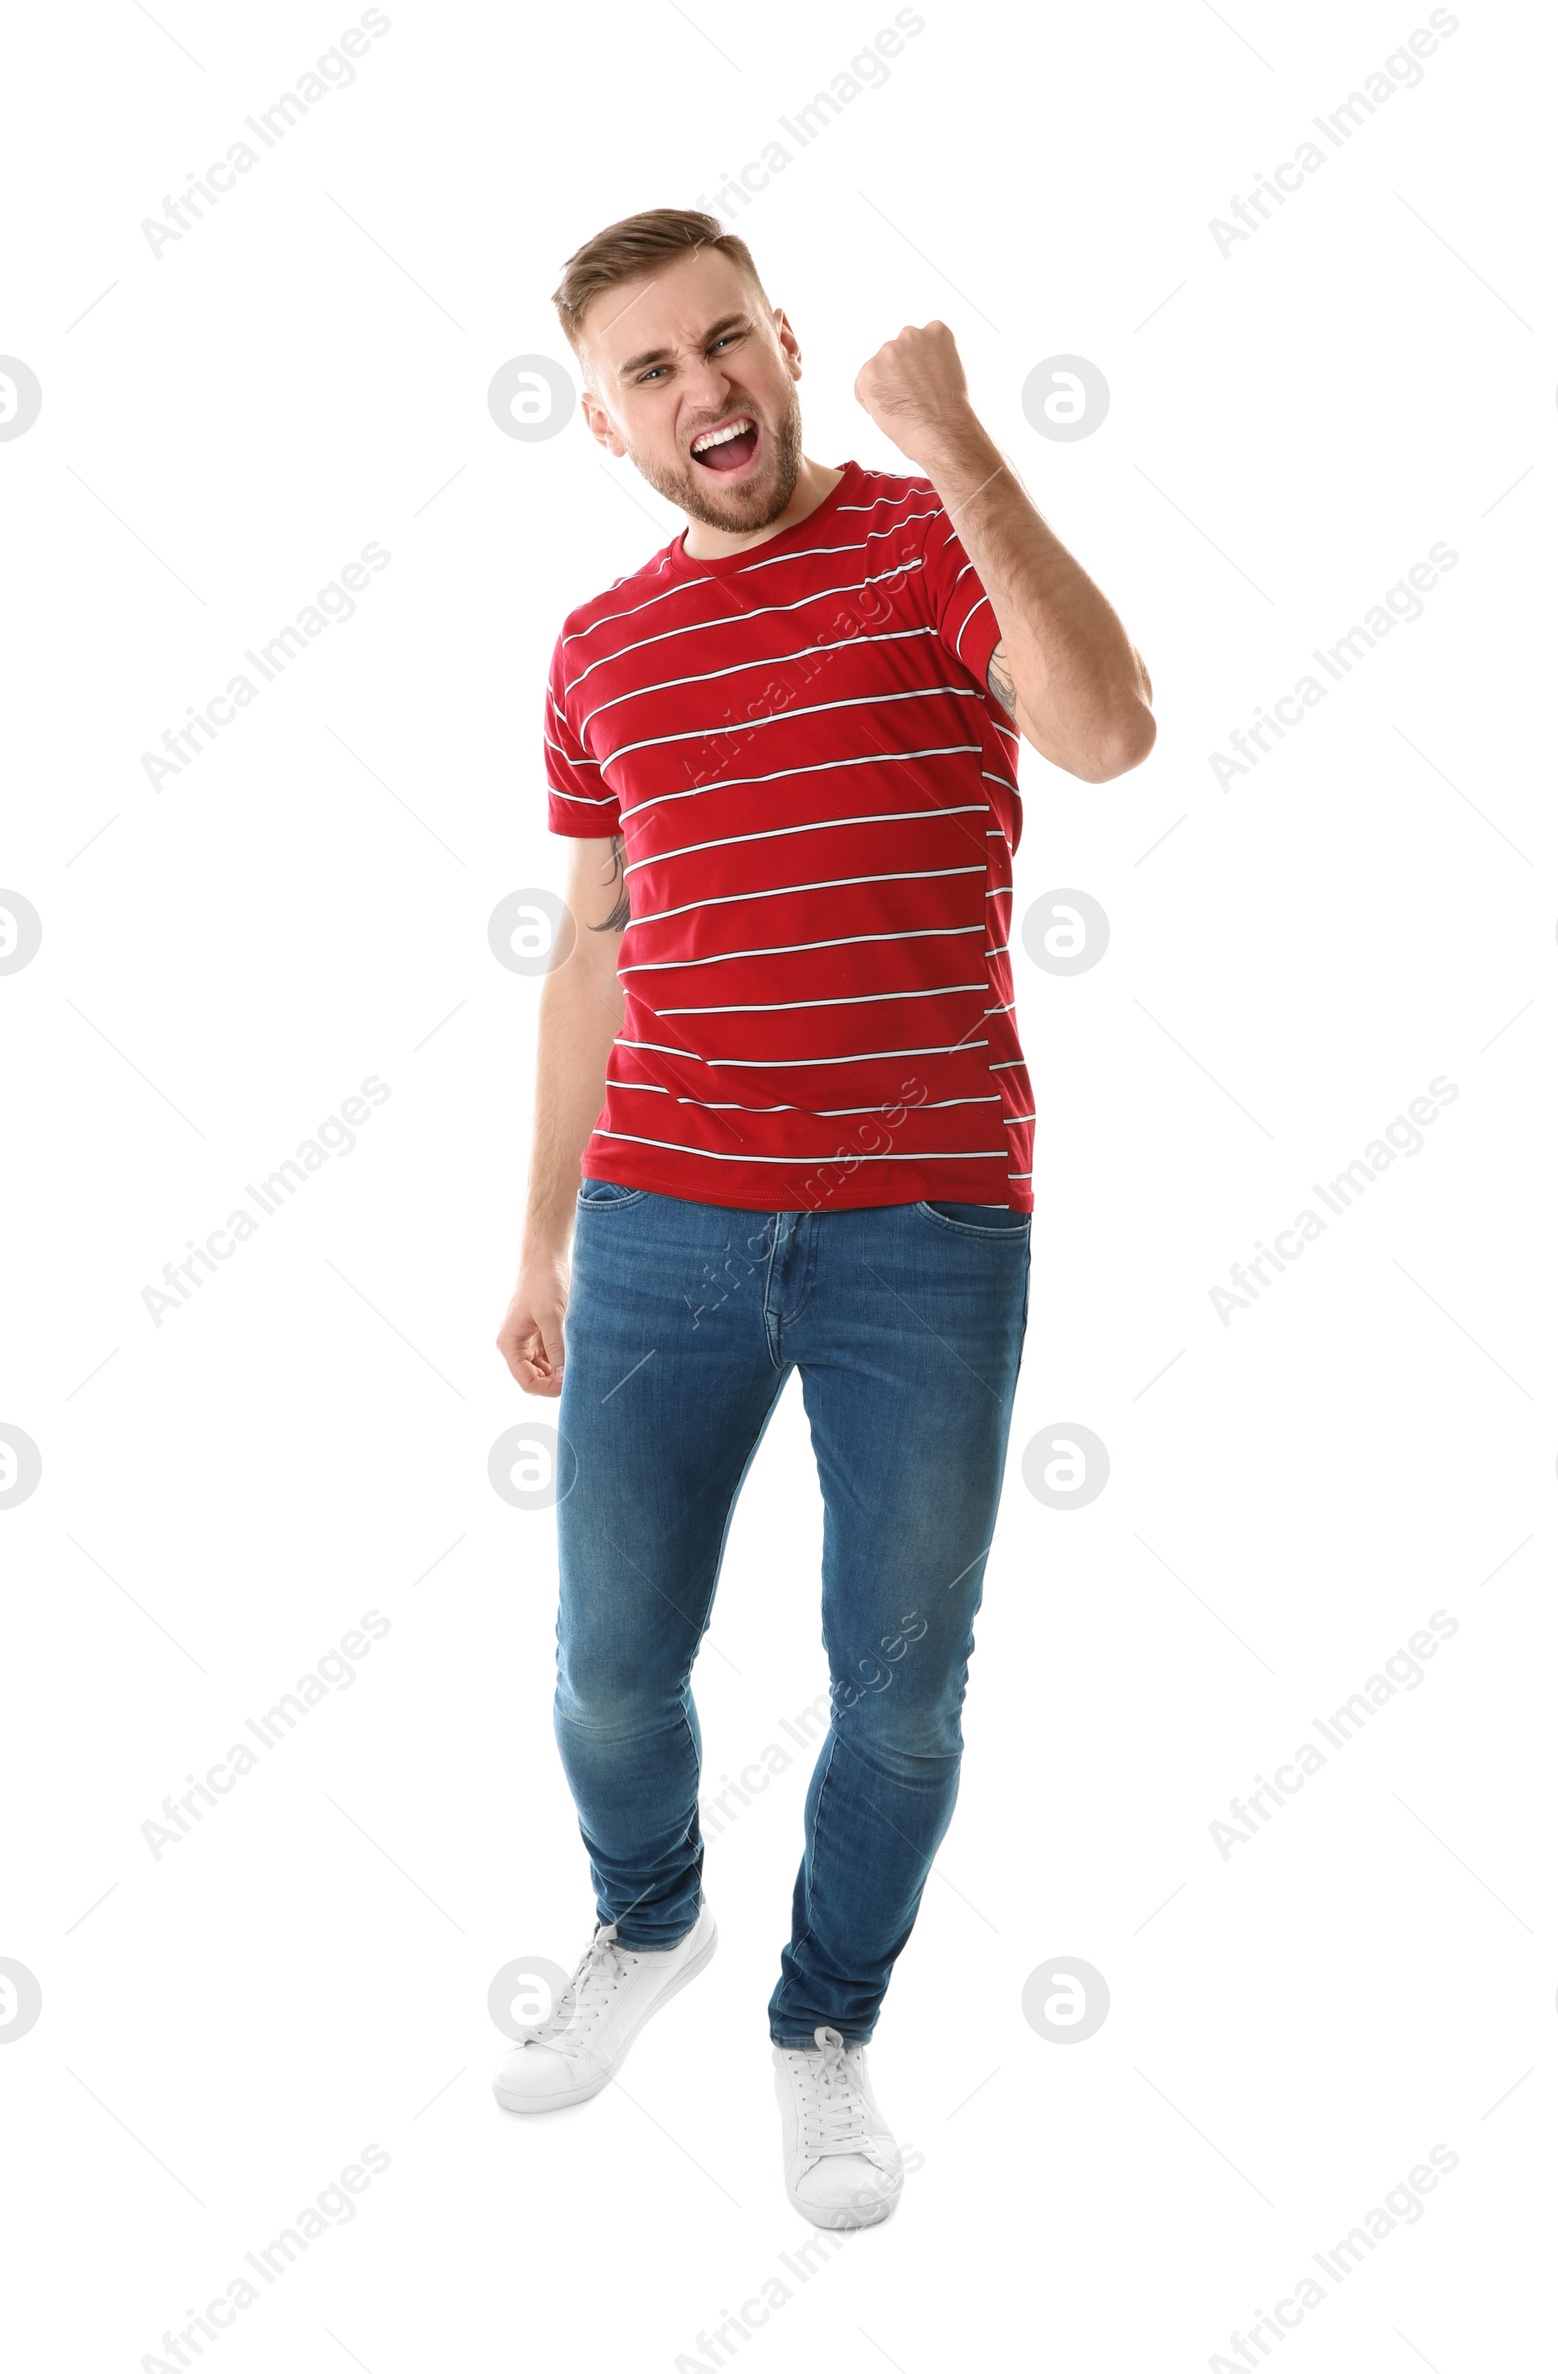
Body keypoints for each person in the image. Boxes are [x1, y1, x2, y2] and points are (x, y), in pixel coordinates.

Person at [493, 207, 1154, 2227]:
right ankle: (648, 1917)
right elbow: (594, 954)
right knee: (610, 1665)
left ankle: (820, 2028)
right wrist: (537, 1240)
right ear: (604, 424)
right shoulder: (598, 649)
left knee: (898, 1684)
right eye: (650, 372)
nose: (701, 391)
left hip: (922, 1231)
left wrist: (959, 447)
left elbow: (1106, 730)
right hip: (662, 1218)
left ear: (783, 343)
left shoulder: (928, 548)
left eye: (723, 344)